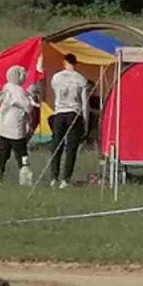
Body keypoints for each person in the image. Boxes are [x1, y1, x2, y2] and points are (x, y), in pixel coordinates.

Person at [0, 65, 38, 186]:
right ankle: (25, 176)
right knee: (22, 154)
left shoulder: (7, 88)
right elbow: (27, 106)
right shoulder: (18, 90)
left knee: (3, 154)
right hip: (15, 127)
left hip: (3, 126)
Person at [49, 53, 90, 188]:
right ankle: (66, 179)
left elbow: (55, 94)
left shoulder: (56, 77)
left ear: (64, 62)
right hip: (74, 114)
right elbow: (85, 103)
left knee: (56, 146)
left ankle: (54, 177)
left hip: (59, 113)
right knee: (71, 148)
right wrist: (86, 121)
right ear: (75, 63)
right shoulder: (81, 79)